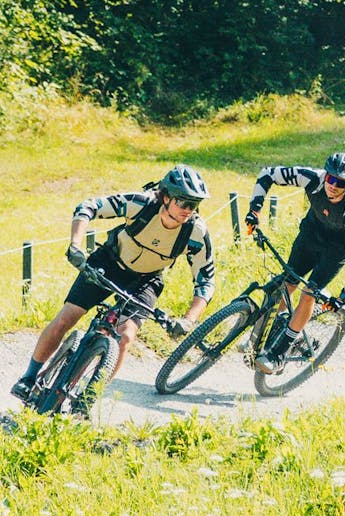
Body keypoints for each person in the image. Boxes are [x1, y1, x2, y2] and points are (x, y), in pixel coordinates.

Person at [12, 164, 216, 402]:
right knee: (66, 318)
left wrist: (189, 320)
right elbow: (88, 207)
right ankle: (28, 377)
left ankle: (89, 398)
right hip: (109, 263)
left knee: (126, 336)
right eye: (184, 203)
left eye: (195, 205)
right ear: (167, 197)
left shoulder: (195, 232)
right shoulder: (141, 204)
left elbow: (205, 280)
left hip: (146, 280)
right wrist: (75, 245)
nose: (189, 210)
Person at [243, 151, 345, 373]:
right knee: (288, 282)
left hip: (336, 250)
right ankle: (275, 331)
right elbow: (267, 174)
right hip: (310, 236)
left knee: (310, 292)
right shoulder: (312, 178)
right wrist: (254, 210)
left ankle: (279, 352)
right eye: (331, 179)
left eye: (341, 183)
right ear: (326, 175)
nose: (333, 185)